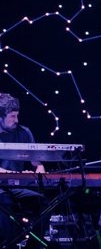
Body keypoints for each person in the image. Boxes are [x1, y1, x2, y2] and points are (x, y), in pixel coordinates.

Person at [0, 92, 47, 244]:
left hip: (17, 186)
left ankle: (34, 246)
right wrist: (16, 173)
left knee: (43, 204)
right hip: (1, 188)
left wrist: (40, 172)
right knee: (5, 205)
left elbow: (37, 163)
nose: (16, 120)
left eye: (17, 115)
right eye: (12, 116)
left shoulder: (24, 132)